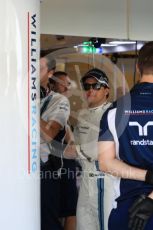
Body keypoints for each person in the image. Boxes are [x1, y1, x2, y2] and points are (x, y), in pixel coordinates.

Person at [98, 41, 153, 230]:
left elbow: (105, 162)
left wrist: (148, 176)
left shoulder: (113, 111)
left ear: (138, 67)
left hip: (126, 211)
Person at [74, 68, 112, 230]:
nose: (90, 90)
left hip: (105, 179)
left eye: (96, 86)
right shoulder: (82, 115)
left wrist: (77, 151)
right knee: (83, 225)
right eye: (86, 86)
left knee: (105, 225)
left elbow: (104, 151)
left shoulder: (112, 113)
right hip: (84, 180)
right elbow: (74, 146)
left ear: (106, 90)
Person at [40, 55, 70, 230]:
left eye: (40, 68)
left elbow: (49, 134)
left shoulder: (59, 101)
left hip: (45, 171)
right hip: (14, 168)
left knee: (47, 222)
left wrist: (30, 108)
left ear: (50, 73)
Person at [52, 71, 78, 230]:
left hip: (65, 163)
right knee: (66, 209)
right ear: (53, 84)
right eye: (64, 83)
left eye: (68, 83)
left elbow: (69, 136)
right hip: (57, 164)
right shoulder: (54, 104)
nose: (67, 86)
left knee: (70, 208)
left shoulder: (62, 104)